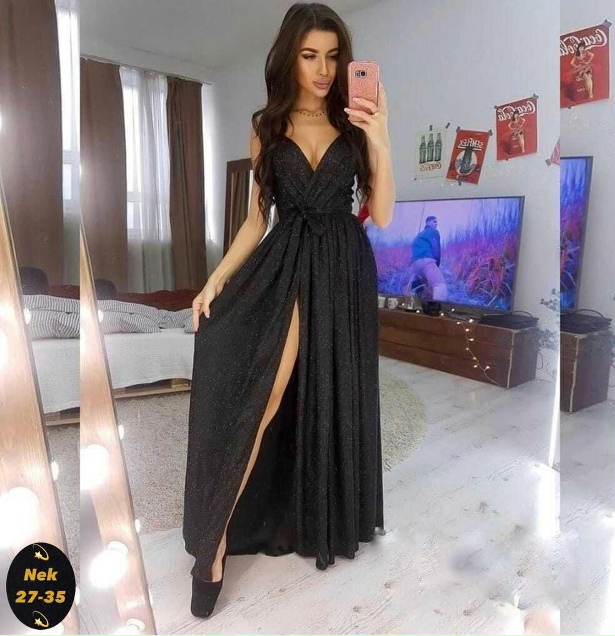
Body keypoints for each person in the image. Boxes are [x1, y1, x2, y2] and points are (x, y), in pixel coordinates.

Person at [182, 2, 395, 619]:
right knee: (263, 392)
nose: (323, 69)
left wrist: (380, 136)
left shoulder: (356, 122)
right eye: (309, 55)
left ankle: (322, 514)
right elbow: (258, 218)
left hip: (344, 268)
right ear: (289, 58)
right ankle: (213, 545)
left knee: (334, 389)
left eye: (332, 56)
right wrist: (216, 279)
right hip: (286, 262)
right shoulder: (267, 128)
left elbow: (382, 214)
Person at [406, 215, 448, 301]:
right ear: (428, 223)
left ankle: (415, 303)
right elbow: (435, 248)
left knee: (419, 287)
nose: (436, 224)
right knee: (440, 286)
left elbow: (412, 251)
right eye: (434, 221)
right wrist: (436, 264)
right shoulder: (433, 231)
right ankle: (436, 307)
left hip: (415, 265)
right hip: (427, 262)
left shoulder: (418, 236)